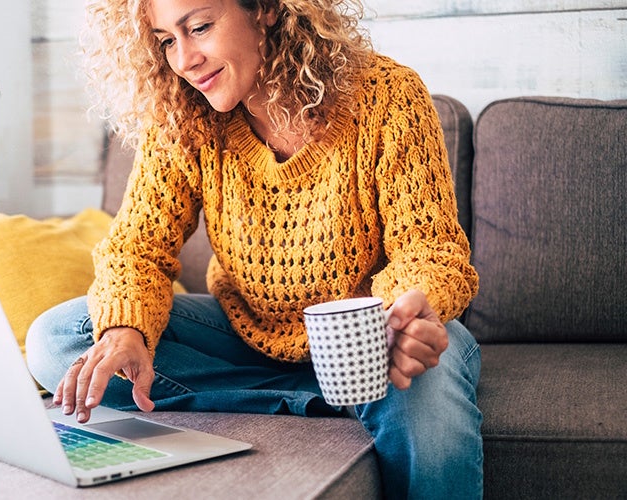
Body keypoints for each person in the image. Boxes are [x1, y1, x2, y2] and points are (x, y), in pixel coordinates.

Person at [26, 0, 483, 497]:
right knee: (57, 339)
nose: (184, 60)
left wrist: (405, 317)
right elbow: (137, 248)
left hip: (371, 342)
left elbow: (430, 251)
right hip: (248, 336)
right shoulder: (183, 114)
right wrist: (125, 328)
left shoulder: (387, 97)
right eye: (166, 40)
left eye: (199, 27)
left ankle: (347, 392)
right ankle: (327, 399)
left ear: (266, 9)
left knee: (426, 386)